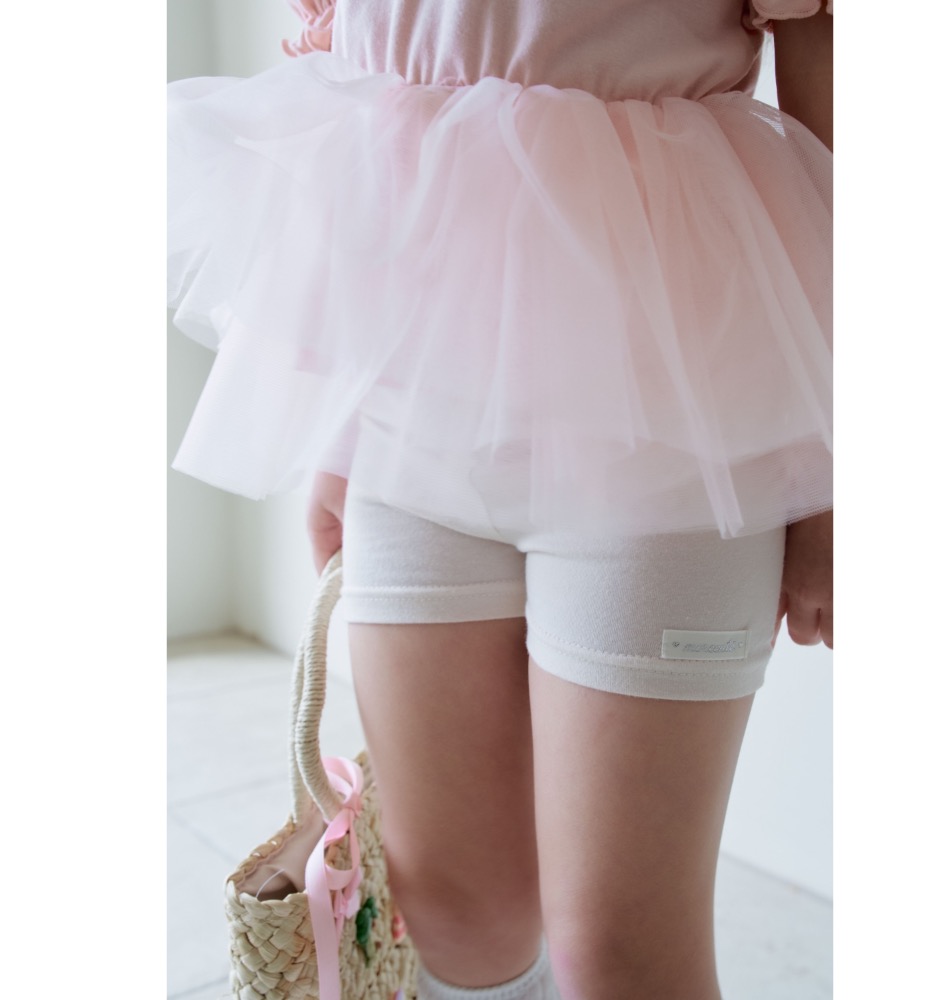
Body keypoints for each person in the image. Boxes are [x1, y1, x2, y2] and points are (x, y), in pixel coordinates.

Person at [168, 1, 832, 997]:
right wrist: (342, 427)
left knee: (622, 955)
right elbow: (361, 103)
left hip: (669, 415)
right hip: (414, 412)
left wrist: (832, 480)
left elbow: (833, 113)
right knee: (455, 916)